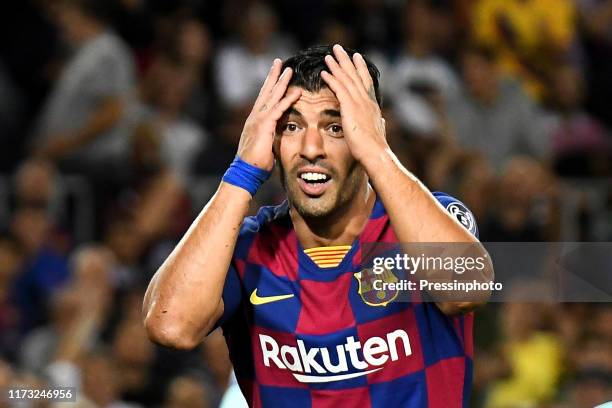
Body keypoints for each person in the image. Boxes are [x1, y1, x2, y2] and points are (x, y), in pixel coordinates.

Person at [144, 44, 493, 406]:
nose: (312, 147)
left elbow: (465, 290)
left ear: (368, 132)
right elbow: (171, 326)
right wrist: (242, 171)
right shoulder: (249, 249)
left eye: (336, 126)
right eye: (291, 126)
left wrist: (378, 153)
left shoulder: (428, 220)